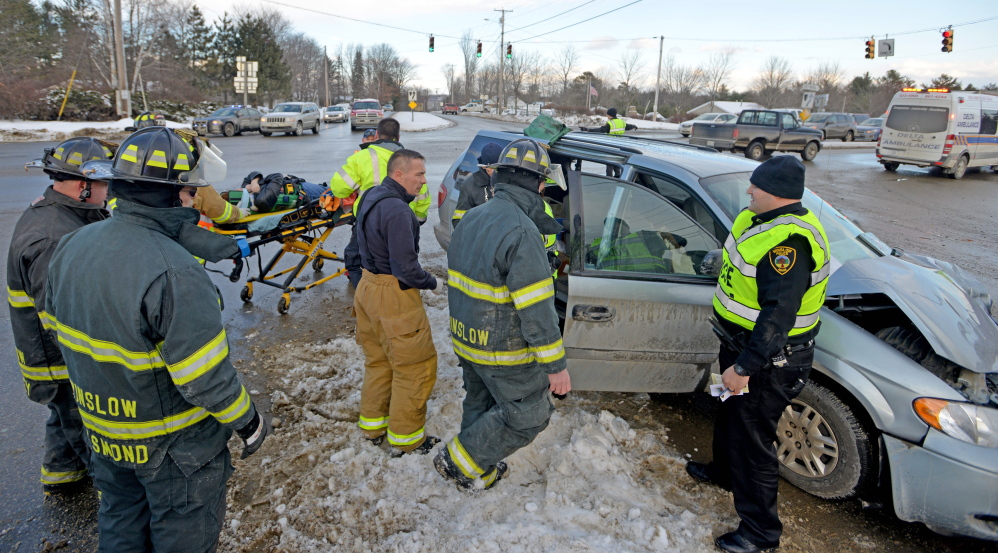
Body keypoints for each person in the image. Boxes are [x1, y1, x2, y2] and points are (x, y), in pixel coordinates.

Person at [45, 127, 269, 552]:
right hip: (172, 449)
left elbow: (58, 326)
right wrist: (249, 422)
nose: (191, 201)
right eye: (189, 193)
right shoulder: (176, 273)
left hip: (104, 432)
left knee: (121, 524)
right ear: (172, 195)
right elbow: (204, 377)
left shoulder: (73, 245)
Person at [686, 156, 829, 553]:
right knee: (729, 411)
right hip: (738, 347)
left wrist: (745, 367)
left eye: (755, 186)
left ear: (777, 193)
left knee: (753, 442)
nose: (749, 190)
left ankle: (760, 533)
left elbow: (777, 317)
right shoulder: (757, 221)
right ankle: (723, 472)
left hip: (766, 360)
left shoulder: (788, 245)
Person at [435, 138, 570, 492]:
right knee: (530, 415)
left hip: (467, 338)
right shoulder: (523, 231)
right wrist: (555, 367)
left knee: (479, 402)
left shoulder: (472, 217)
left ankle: (479, 469)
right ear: (538, 184)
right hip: (502, 349)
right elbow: (537, 309)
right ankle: (458, 462)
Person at [7, 137, 116, 494]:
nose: (108, 189)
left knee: (62, 415)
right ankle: (111, 499)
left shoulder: (63, 211)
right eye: (103, 183)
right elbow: (58, 317)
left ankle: (61, 475)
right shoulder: (54, 237)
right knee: (84, 426)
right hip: (60, 360)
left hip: (51, 359)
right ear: (82, 185)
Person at [353, 149, 442, 457]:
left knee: (379, 361)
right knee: (414, 366)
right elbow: (406, 267)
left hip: (367, 287)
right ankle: (407, 440)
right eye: (419, 174)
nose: (424, 181)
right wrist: (433, 283)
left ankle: (373, 425)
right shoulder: (399, 212)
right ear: (399, 174)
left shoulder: (371, 196)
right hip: (393, 294)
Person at [329, 118, 431, 288]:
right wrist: (418, 221)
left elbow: (339, 188)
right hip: (404, 224)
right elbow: (423, 195)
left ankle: (371, 300)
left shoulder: (361, 158)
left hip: (369, 222)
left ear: (376, 135)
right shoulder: (410, 161)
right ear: (398, 137)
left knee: (358, 262)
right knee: (403, 268)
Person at [451, 142, 502, 228]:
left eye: (496, 168)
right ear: (483, 166)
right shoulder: (469, 186)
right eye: (488, 168)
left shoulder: (511, 181)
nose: (492, 171)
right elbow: (459, 221)